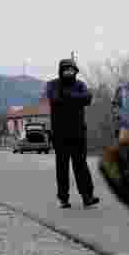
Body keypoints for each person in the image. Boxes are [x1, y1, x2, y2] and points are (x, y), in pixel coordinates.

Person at [46, 58, 100, 209]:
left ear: (75, 71)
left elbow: (88, 98)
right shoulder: (52, 85)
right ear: (61, 70)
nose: (69, 72)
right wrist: (76, 99)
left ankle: (87, 196)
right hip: (59, 133)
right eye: (66, 69)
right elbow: (55, 98)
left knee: (81, 165)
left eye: (72, 69)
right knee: (62, 167)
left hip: (78, 132)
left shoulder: (80, 84)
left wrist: (68, 97)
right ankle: (63, 198)